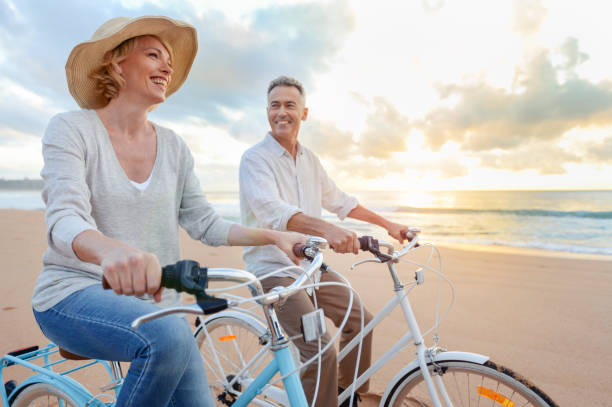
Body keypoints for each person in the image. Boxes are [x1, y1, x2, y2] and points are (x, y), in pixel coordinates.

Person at [32, 17, 305, 407]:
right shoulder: (71, 129)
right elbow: (64, 217)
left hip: (161, 307)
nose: (166, 67)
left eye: (169, 62)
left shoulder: (175, 147)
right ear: (115, 63)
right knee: (169, 337)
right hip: (72, 293)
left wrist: (275, 235)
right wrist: (111, 251)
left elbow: (206, 223)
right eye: (153, 54)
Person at [239, 75, 419, 407]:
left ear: (304, 113)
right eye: (275, 105)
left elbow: (341, 201)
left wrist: (388, 224)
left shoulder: (310, 160)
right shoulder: (255, 160)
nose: (282, 112)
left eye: (290, 105)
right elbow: (276, 212)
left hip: (311, 266)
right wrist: (329, 231)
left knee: (361, 321)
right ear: (267, 112)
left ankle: (345, 396)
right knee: (318, 346)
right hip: (274, 271)